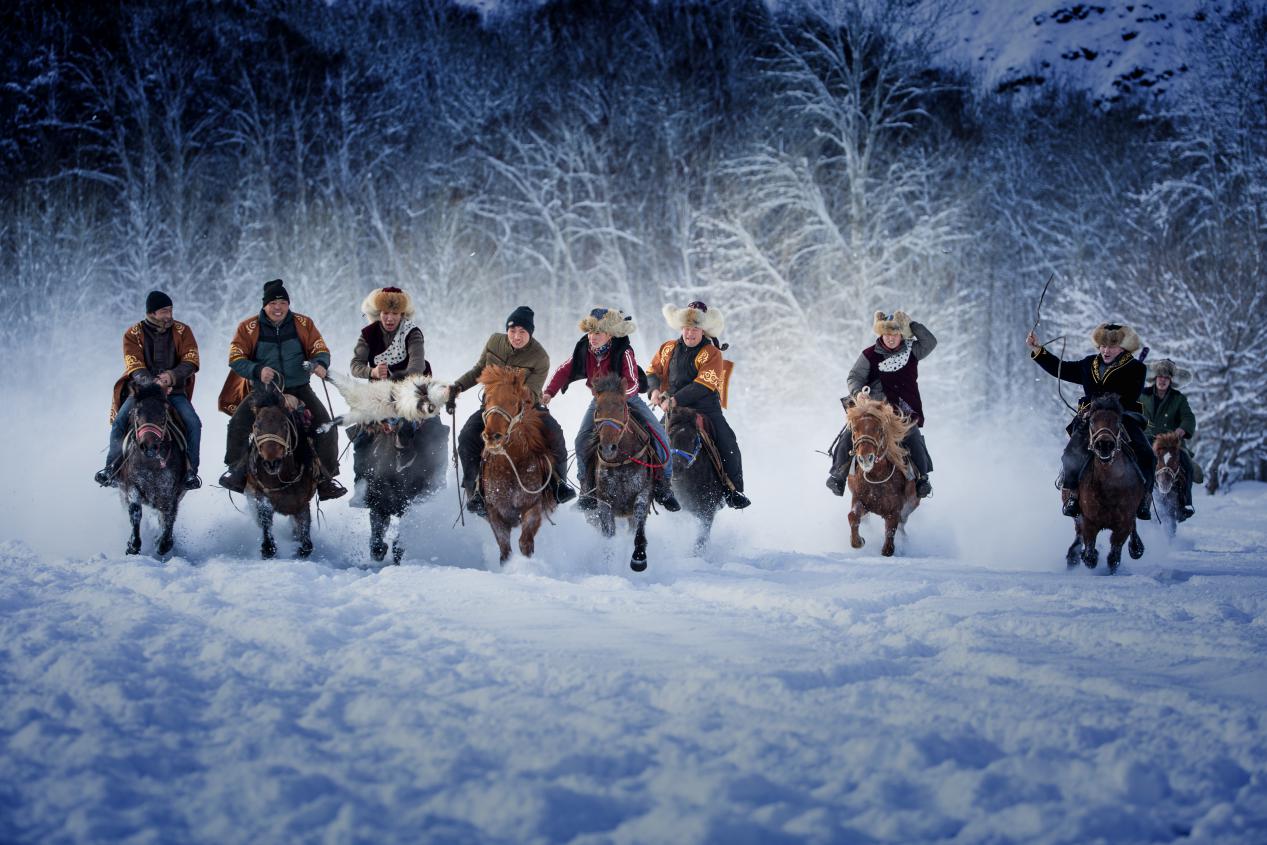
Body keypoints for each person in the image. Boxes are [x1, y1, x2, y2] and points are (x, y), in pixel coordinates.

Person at [216, 279, 345, 500]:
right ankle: (237, 471)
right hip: (264, 392)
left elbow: (319, 347)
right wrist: (257, 370)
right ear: (265, 305)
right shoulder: (248, 328)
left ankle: (326, 478)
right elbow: (236, 357)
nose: (278, 308)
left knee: (327, 426)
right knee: (237, 423)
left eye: (283, 303)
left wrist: (320, 363)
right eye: (273, 303)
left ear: (288, 304)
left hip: (300, 388)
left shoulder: (303, 324)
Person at [542, 307, 680, 512]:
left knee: (660, 436)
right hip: (601, 403)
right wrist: (549, 392)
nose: (592, 337)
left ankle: (664, 486)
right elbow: (564, 370)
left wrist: (620, 397)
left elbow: (632, 381)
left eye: (597, 333)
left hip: (628, 399)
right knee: (581, 439)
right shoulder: (584, 350)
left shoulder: (623, 351)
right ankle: (587, 489)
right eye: (590, 332)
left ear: (610, 335)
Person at [450, 306, 575, 516]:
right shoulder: (494, 342)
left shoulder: (540, 357)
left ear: (530, 334)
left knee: (556, 434)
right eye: (512, 331)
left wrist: (511, 390)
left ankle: (558, 484)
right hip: (492, 406)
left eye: (522, 332)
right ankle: (474, 489)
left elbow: (534, 394)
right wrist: (457, 386)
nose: (516, 336)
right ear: (507, 330)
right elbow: (479, 370)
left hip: (525, 409)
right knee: (466, 437)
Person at [1025, 322, 1154, 519]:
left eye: (1111, 346)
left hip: (1122, 418)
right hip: (1090, 420)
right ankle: (1072, 495)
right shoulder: (1088, 364)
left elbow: (1130, 397)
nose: (1106, 350)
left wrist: (1103, 407)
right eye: (1102, 346)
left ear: (1123, 347)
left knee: (1147, 454)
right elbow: (1061, 369)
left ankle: (1144, 498)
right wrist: (1038, 350)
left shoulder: (1136, 368)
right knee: (1070, 453)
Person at [346, 286, 443, 508]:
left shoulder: (413, 333)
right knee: (361, 434)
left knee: (435, 428)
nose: (389, 318)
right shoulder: (368, 335)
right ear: (378, 313)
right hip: (379, 395)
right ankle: (360, 484)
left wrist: (392, 377)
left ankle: (436, 478)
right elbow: (355, 365)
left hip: (413, 389)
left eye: (395, 314)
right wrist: (370, 372)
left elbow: (417, 366)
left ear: (403, 315)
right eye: (385, 313)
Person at [95, 290, 203, 490]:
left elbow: (191, 360)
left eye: (170, 310)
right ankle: (111, 468)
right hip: (142, 394)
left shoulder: (183, 331)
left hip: (174, 392)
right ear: (152, 313)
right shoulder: (132, 334)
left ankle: (190, 471)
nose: (169, 315)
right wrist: (154, 384)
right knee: (119, 422)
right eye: (164, 311)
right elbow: (134, 365)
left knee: (193, 423)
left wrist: (170, 377)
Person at [647, 300, 749, 509]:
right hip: (672, 410)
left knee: (728, 442)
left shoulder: (712, 353)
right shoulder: (667, 349)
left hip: (705, 409)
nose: (690, 333)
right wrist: (655, 390)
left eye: (695, 329)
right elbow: (652, 372)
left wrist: (674, 400)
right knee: (649, 439)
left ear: (703, 330)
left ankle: (732, 489)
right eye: (686, 328)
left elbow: (703, 384)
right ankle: (649, 485)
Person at [826, 311, 936, 498]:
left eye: (894, 334)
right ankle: (838, 475)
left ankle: (922, 479)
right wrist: (858, 393)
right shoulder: (869, 355)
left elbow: (930, 342)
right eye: (886, 335)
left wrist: (912, 325)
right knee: (849, 435)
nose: (890, 339)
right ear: (881, 335)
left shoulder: (913, 351)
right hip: (874, 410)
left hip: (903, 412)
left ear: (901, 334)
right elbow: (854, 377)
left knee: (914, 438)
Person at [1141, 358, 1199, 521]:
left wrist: (1182, 429)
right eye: (1160, 376)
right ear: (1155, 378)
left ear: (1170, 380)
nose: (1162, 380)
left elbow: (1188, 417)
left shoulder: (1178, 398)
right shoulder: (1142, 394)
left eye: (1166, 378)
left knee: (1186, 462)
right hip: (1146, 440)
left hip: (1171, 442)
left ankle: (1184, 504)